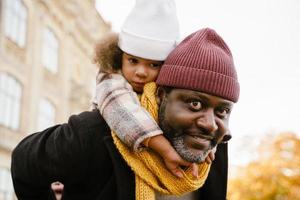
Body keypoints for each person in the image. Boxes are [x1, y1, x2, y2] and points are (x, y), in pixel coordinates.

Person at [11, 28, 240, 200]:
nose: (210, 124)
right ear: (161, 95)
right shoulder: (97, 131)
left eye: (222, 110)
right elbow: (24, 165)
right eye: (195, 104)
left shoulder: (213, 153)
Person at [91, 0, 213, 178]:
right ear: (119, 56)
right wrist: (166, 151)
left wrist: (203, 143)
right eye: (133, 61)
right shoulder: (110, 78)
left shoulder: (165, 91)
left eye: (154, 65)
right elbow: (122, 110)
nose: (141, 72)